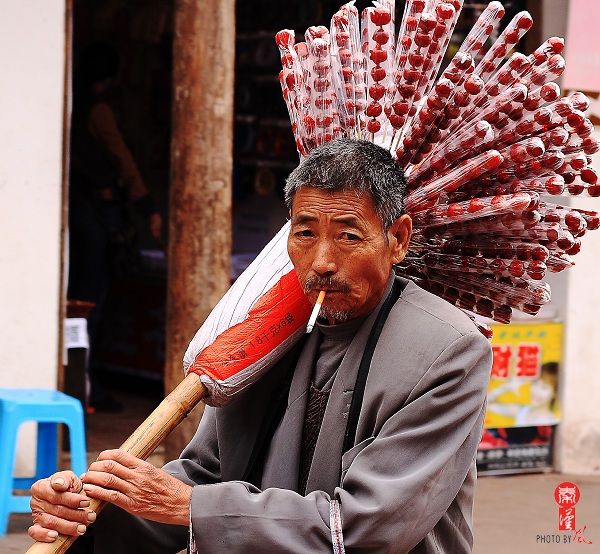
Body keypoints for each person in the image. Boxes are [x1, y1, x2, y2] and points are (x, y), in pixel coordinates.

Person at [30, 139, 492, 553]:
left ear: (398, 240)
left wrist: (193, 507)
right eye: (305, 233)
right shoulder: (265, 333)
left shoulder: (448, 352)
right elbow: (206, 474)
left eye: (350, 236)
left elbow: (367, 529)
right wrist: (95, 510)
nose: (324, 262)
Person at [68, 41, 163, 412]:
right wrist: (146, 205)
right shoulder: (99, 111)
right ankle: (85, 388)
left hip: (78, 214)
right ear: (108, 79)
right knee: (91, 304)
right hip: (96, 215)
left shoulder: (71, 105)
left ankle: (81, 385)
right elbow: (122, 159)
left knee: (79, 303)